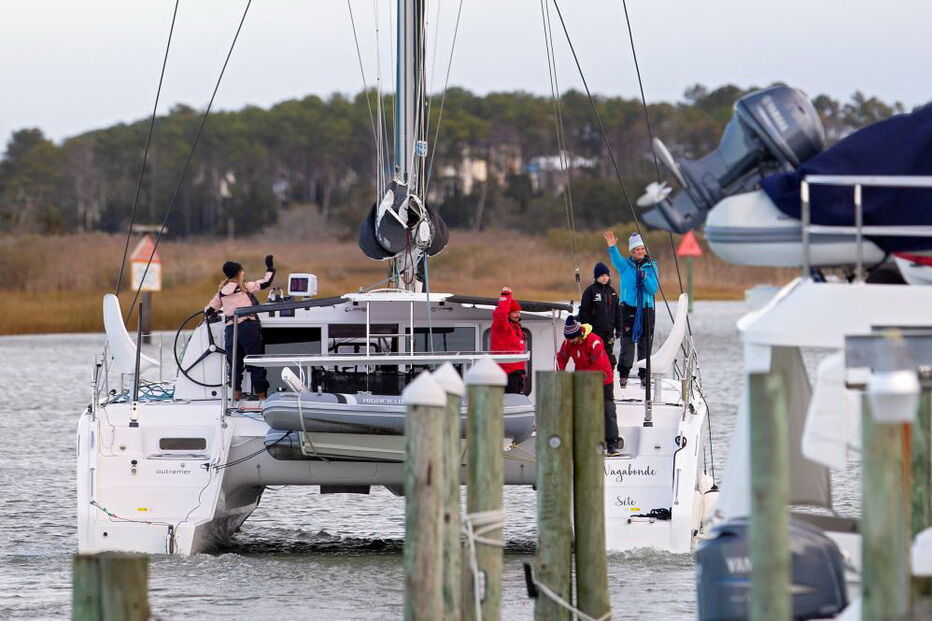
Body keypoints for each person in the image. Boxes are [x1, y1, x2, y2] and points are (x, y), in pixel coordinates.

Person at [205, 255, 276, 400]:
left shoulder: (221, 293)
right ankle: (262, 400)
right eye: (242, 271)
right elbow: (266, 282)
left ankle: (234, 400)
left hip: (231, 331)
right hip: (248, 329)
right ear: (238, 273)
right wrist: (270, 268)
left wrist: (220, 310)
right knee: (256, 364)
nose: (243, 273)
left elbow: (208, 311)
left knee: (235, 367)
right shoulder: (245, 287)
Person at [556, 315, 620, 456]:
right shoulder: (569, 342)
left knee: (606, 408)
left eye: (573, 338)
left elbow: (593, 365)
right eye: (569, 338)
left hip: (602, 379)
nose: (571, 341)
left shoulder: (594, 342)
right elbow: (561, 357)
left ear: (579, 334)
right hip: (583, 379)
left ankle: (611, 444)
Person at [603, 231, 659, 387]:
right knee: (627, 344)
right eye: (636, 249)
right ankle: (624, 375)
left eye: (642, 248)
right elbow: (616, 259)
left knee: (645, 344)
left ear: (645, 250)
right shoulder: (625, 266)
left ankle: (644, 375)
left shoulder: (652, 266)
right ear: (632, 252)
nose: (640, 251)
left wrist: (645, 278)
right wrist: (612, 247)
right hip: (627, 309)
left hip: (646, 309)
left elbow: (653, 289)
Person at [577, 261, 623, 370]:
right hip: (595, 331)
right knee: (595, 353)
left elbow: (618, 311)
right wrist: (587, 328)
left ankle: (608, 377)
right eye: (602, 275)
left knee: (608, 354)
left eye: (607, 275)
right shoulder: (590, 291)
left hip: (609, 330)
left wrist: (619, 328)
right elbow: (584, 311)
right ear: (597, 277)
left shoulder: (612, 292)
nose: (605, 278)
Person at [491, 286, 527, 394]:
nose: (518, 315)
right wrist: (506, 296)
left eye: (519, 312)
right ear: (508, 313)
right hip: (506, 373)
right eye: (515, 312)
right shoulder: (501, 326)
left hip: (517, 373)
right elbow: (501, 314)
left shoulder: (516, 327)